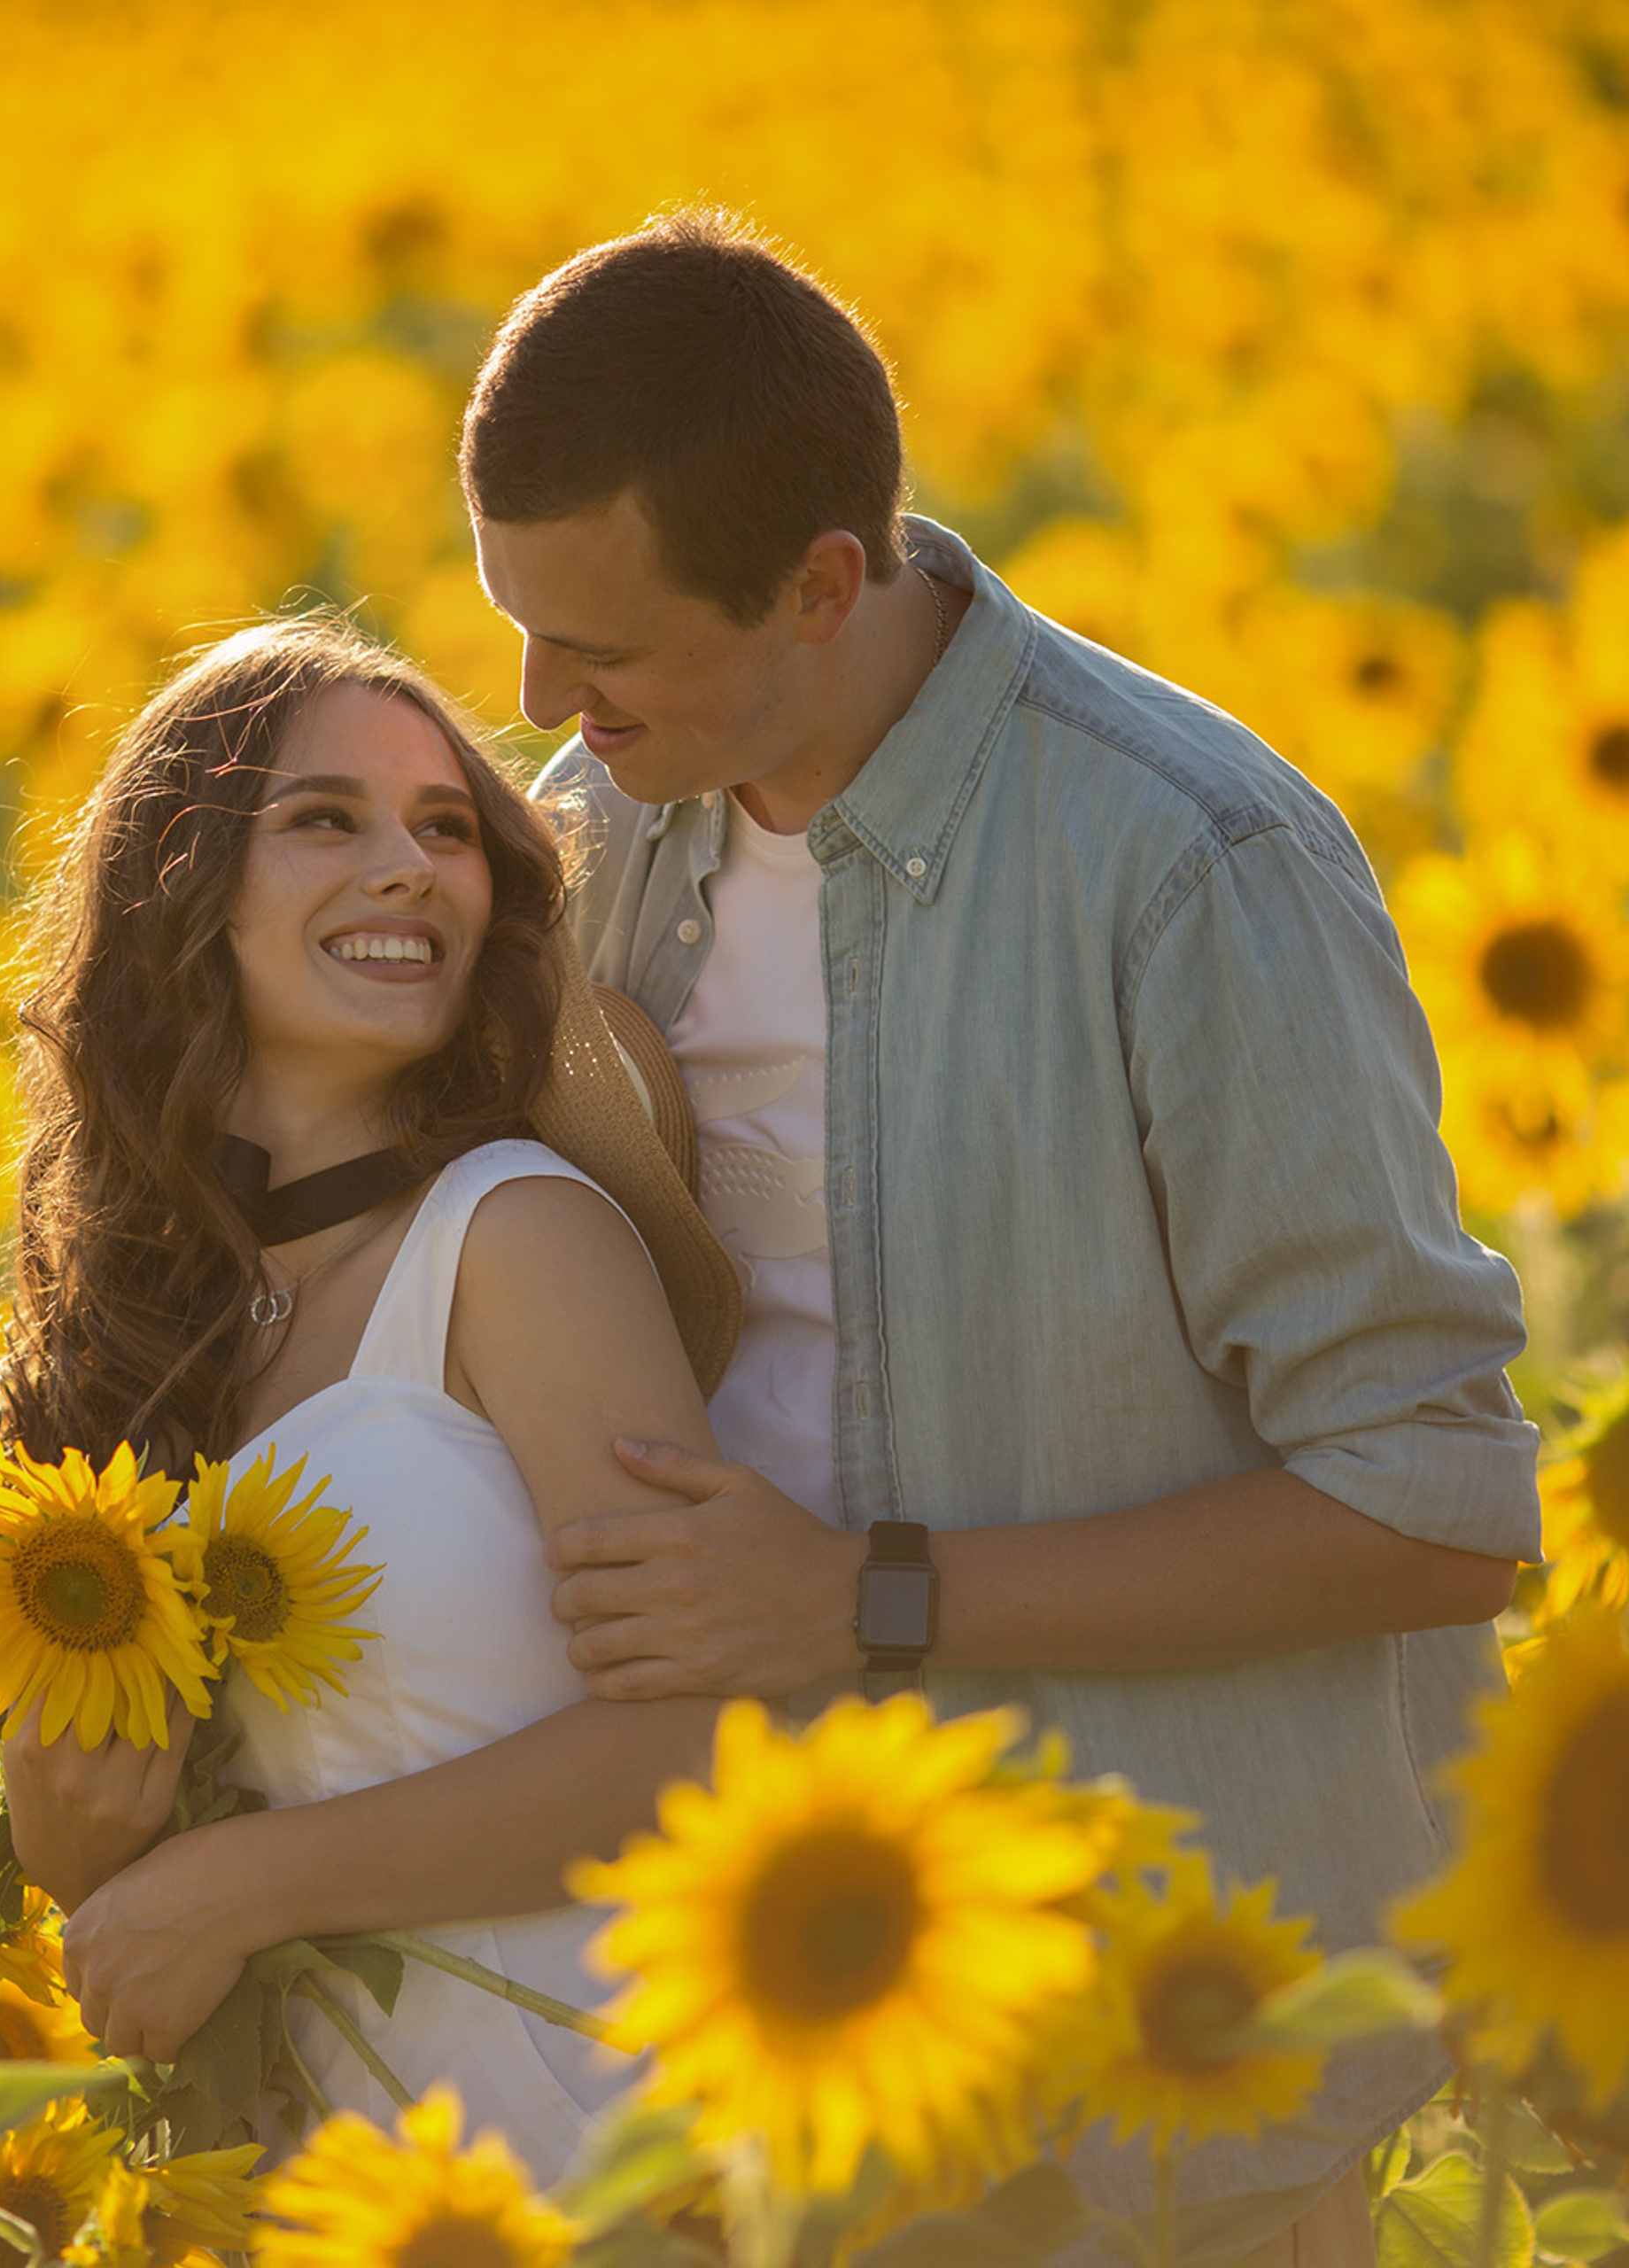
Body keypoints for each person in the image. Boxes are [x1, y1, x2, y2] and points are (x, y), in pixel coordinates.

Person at [461, 213, 1540, 2267]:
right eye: (518, 628)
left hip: (1143, 2079)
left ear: (818, 587)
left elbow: (1430, 1506)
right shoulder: (602, 834)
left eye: (597, 647)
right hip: (761, 2048)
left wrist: (865, 1600)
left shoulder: (1182, 865)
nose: (537, 698)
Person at [0, 612, 743, 2182]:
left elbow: (695, 1737)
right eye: (326, 819)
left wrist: (250, 1884)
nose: (409, 867)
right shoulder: (137, 1327)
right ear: (178, 889)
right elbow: (92, 1864)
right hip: (317, 2177)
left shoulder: (517, 1237)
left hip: (604, 2140)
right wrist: (73, 1826)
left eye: (448, 829)